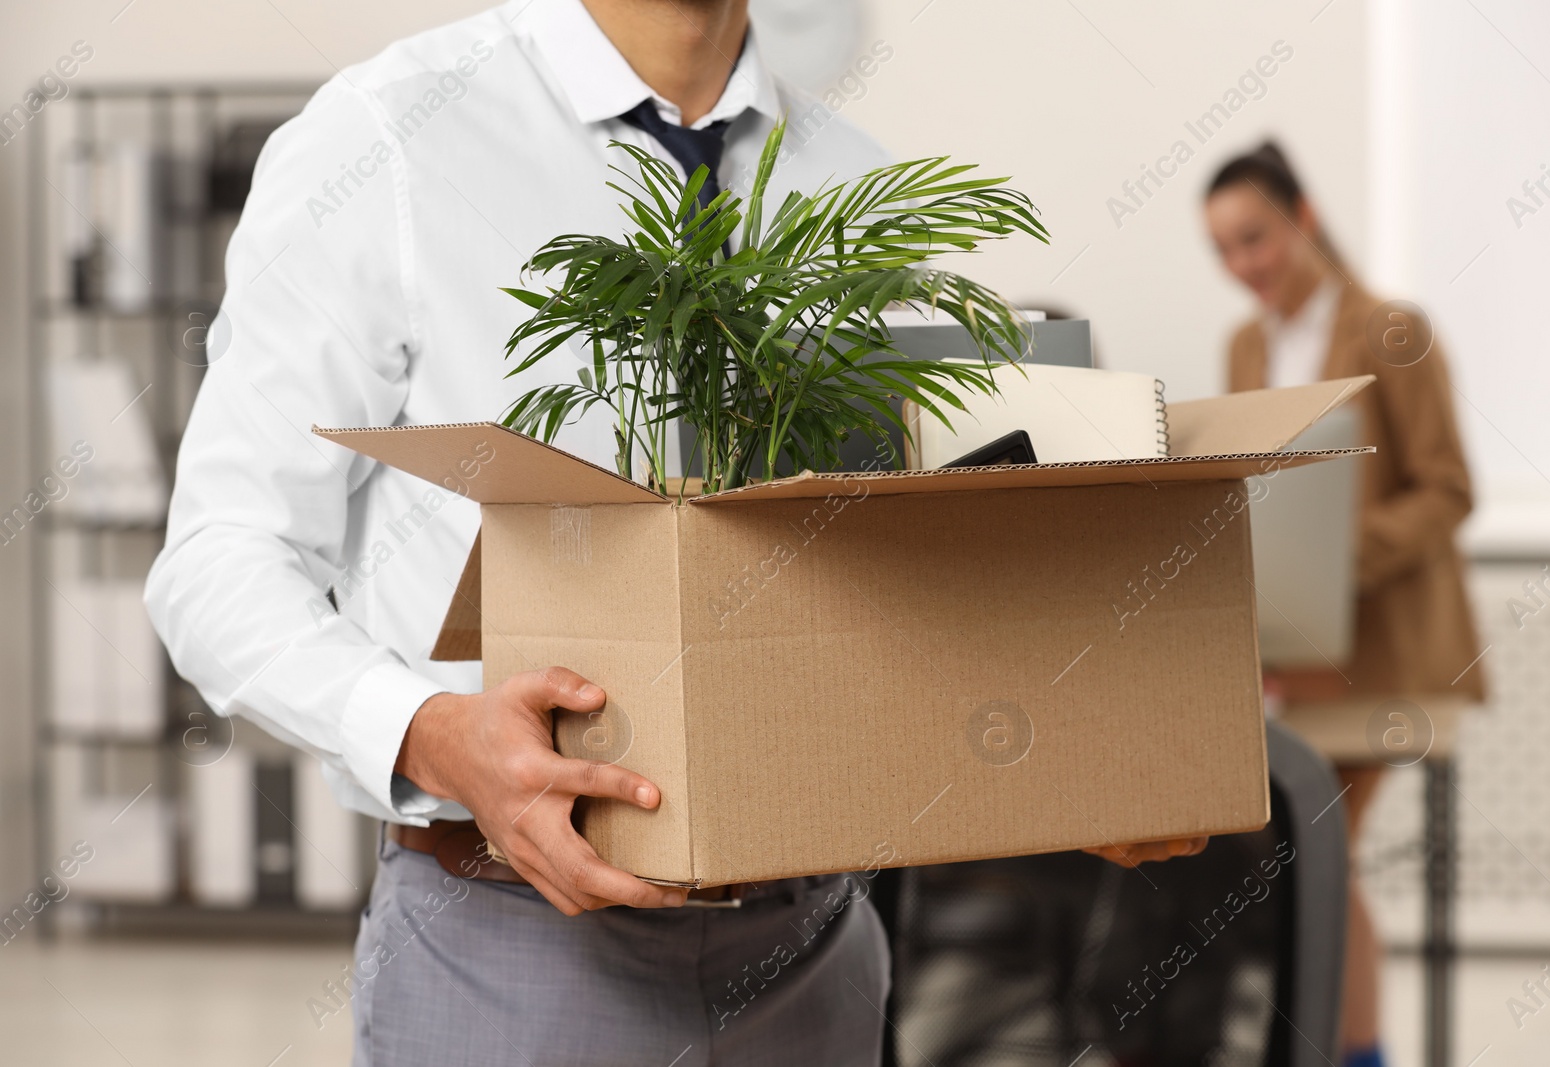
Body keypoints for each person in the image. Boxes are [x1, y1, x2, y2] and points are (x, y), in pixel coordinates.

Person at [147, 1, 1199, 1062]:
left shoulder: (844, 176)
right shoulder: (388, 140)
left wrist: (1058, 768)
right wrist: (434, 732)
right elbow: (218, 561)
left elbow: (876, 575)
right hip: (516, 951)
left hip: (816, 958)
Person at [1203, 142, 1487, 1067]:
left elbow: (1448, 491)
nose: (1247, 265)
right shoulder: (1245, 345)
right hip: (1292, 652)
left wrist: (1333, 557)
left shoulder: (1389, 329)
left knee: (1317, 857)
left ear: (1304, 219)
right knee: (1297, 857)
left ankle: (1354, 1055)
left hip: (1386, 658)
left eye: (1258, 238)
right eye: (1227, 250)